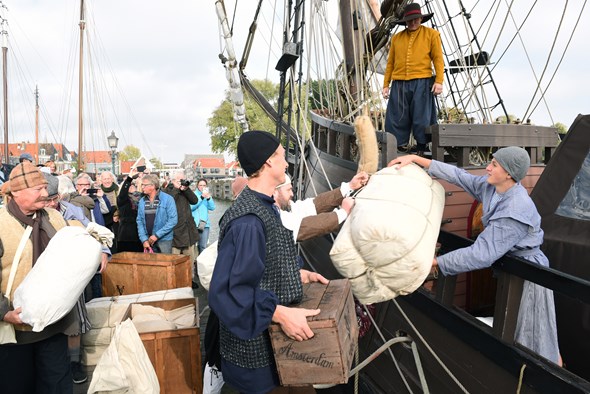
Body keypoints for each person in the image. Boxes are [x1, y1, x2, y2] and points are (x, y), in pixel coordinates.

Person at [388, 147, 561, 365]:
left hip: (528, 274)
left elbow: (481, 254)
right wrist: (416, 159)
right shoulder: (492, 188)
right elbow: (460, 176)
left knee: (534, 334)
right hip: (512, 266)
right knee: (522, 329)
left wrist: (434, 262)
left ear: (509, 173)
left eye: (495, 165)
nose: (487, 167)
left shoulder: (515, 209)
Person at [208, 130, 328, 393]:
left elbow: (261, 270)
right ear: (268, 162)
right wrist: (281, 313)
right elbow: (228, 292)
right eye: (283, 157)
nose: (287, 163)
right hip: (256, 358)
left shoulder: (265, 206)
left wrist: (297, 275)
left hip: (276, 351)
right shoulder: (248, 221)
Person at [0, 163, 83, 392]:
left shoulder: (54, 217)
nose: (45, 194)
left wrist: (97, 247)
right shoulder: (1, 224)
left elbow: (74, 238)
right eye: (38, 189)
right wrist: (4, 312)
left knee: (56, 386)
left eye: (45, 187)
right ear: (15, 192)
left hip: (54, 325)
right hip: (15, 332)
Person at [382, 2, 444, 155]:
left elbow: (438, 59)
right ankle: (398, 146)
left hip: (422, 81)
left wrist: (439, 81)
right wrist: (385, 85)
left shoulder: (432, 34)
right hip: (399, 83)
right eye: (410, 20)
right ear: (405, 21)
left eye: (416, 19)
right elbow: (390, 63)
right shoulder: (396, 38)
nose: (413, 22)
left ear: (421, 19)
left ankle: (421, 148)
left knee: (421, 116)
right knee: (396, 116)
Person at [274, 172, 367, 242]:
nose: (292, 194)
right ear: (275, 192)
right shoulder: (272, 215)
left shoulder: (281, 208)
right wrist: (343, 212)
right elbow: (301, 226)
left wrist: (350, 186)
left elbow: (309, 207)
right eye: (288, 190)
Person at [165, 171, 199, 285]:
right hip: (174, 232)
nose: (182, 182)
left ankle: (190, 279)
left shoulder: (185, 190)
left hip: (188, 230)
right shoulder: (167, 191)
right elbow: (169, 202)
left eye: (183, 179)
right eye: (179, 180)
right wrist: (177, 189)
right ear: (173, 181)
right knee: (175, 259)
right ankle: (175, 281)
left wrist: (186, 189)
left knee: (190, 258)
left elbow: (195, 201)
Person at [136, 174, 177, 254]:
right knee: (151, 265)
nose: (142, 187)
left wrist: (156, 235)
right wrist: (144, 239)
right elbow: (139, 221)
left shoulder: (168, 199)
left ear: (153, 186)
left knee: (165, 264)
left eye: (144, 185)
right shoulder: (142, 201)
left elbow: (173, 220)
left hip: (164, 240)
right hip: (148, 241)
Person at [116, 168, 143, 252]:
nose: (131, 186)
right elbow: (123, 192)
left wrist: (142, 178)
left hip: (139, 235)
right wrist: (129, 178)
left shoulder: (141, 198)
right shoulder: (122, 199)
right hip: (126, 236)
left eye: (133, 185)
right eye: (129, 185)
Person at [192, 178, 216, 254]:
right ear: (197, 186)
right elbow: (191, 207)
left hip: (204, 225)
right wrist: (201, 197)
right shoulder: (193, 195)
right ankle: (194, 263)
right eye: (200, 185)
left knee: (203, 246)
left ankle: (200, 264)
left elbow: (212, 208)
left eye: (204, 185)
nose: (202, 187)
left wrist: (209, 198)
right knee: (193, 247)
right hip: (194, 224)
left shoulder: (207, 195)